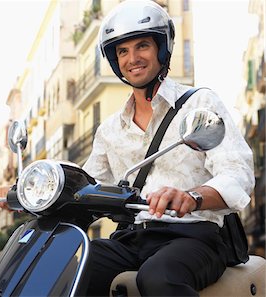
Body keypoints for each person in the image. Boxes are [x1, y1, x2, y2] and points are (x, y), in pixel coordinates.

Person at [82, 0, 254, 296]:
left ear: (162, 49)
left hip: (194, 236)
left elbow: (237, 173)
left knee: (159, 277)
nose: (132, 58)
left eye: (142, 46)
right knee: (79, 266)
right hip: (132, 238)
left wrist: (192, 197)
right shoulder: (109, 129)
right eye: (122, 51)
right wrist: (27, 192)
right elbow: (87, 187)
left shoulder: (200, 104)